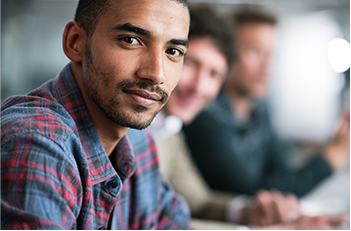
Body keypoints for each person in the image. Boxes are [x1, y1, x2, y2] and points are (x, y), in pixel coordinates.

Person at [149, 6, 349, 230]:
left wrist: (249, 212)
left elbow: (199, 200)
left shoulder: (170, 127)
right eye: (255, 52)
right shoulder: (195, 119)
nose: (199, 86)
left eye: (214, 73)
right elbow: (154, 224)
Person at [0, 0, 191, 229]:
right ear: (75, 42)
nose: (156, 73)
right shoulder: (37, 145)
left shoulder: (139, 142)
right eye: (131, 40)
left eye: (173, 51)